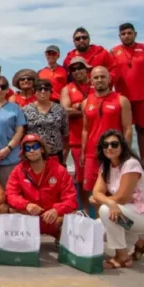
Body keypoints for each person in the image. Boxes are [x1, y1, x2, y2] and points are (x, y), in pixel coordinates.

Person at [93, 131, 144, 269]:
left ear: (122, 146)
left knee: (105, 211)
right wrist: (109, 201)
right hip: (131, 212)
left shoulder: (130, 164)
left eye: (114, 144)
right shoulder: (105, 167)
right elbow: (96, 193)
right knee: (97, 228)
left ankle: (122, 257)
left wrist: (107, 202)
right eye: (105, 144)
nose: (109, 148)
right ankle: (141, 243)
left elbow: (122, 197)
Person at [5, 133, 78, 240]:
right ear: (24, 152)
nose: (32, 151)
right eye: (27, 148)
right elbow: (10, 194)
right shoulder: (18, 170)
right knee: (8, 209)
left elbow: (71, 198)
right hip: (30, 216)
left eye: (35, 147)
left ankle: (61, 239)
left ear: (42, 149)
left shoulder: (59, 170)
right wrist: (26, 205)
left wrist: (56, 210)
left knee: (73, 213)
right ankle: (22, 239)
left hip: (52, 218)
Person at [111, 23, 144, 167]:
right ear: (119, 36)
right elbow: (110, 74)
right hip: (122, 98)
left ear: (135, 34)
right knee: (122, 130)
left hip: (143, 97)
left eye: (129, 33)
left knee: (142, 129)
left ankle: (143, 163)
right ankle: (123, 160)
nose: (126, 36)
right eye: (123, 34)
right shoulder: (114, 52)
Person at [82, 66, 132, 195]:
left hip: (113, 152)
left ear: (109, 79)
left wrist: (125, 152)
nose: (99, 80)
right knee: (94, 192)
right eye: (96, 77)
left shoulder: (122, 100)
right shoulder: (86, 102)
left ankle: (111, 215)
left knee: (114, 190)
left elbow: (127, 128)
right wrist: (83, 152)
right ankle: (99, 216)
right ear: (91, 81)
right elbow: (85, 130)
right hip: (92, 154)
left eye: (103, 76)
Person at [59, 56, 93, 210]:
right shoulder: (67, 89)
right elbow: (64, 111)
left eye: (80, 67)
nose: (77, 71)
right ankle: (86, 211)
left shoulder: (96, 83)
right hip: (77, 139)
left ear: (87, 69)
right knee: (81, 178)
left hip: (101, 139)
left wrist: (80, 107)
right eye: (73, 69)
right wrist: (87, 109)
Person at [23, 79, 68, 164]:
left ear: (50, 91)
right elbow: (22, 133)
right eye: (39, 89)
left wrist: (64, 154)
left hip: (55, 154)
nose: (43, 91)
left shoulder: (60, 109)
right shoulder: (26, 110)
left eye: (46, 89)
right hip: (33, 155)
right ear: (34, 91)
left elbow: (65, 134)